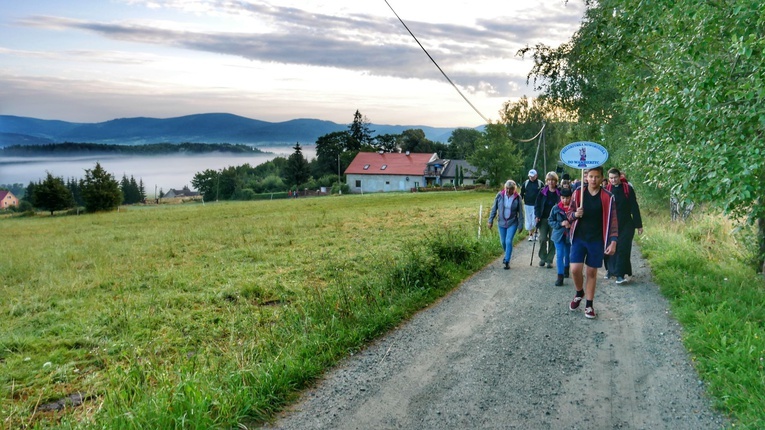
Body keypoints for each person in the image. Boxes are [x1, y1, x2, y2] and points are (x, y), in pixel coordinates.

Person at [566, 166, 618, 319]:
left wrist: (613, 241)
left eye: (597, 177)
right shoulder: (577, 193)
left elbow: (614, 221)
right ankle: (579, 292)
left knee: (591, 272)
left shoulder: (608, 197)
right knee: (575, 269)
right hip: (579, 237)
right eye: (591, 176)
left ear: (602, 178)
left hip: (596, 239)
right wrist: (576, 214)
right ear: (586, 177)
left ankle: (589, 305)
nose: (593, 180)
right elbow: (568, 214)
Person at [605, 168, 643, 284]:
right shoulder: (607, 190)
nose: (613, 180)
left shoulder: (628, 189)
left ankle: (620, 275)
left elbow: (634, 207)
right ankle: (611, 270)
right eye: (611, 178)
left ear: (619, 176)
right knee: (611, 248)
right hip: (612, 224)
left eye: (615, 177)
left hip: (627, 223)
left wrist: (639, 225)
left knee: (623, 248)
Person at [488, 180, 524, 270]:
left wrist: (521, 224)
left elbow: (521, 212)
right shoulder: (500, 195)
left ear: (514, 189)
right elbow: (494, 208)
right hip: (501, 222)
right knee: (503, 242)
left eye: (510, 189)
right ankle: (507, 253)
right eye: (507, 188)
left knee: (508, 241)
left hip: (512, 222)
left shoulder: (517, 197)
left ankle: (507, 260)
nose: (508, 191)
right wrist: (490, 220)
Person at [534, 172, 561, 268]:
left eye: (553, 180)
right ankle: (542, 257)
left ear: (556, 181)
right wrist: (537, 215)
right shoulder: (542, 192)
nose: (551, 182)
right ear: (546, 181)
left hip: (555, 219)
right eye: (549, 180)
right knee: (542, 238)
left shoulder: (559, 192)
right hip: (543, 218)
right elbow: (537, 205)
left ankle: (549, 259)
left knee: (553, 239)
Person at [549, 187, 572, 285]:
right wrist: (560, 223)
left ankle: (566, 268)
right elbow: (550, 221)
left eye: (567, 198)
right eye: (563, 198)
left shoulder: (574, 208)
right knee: (559, 255)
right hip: (558, 235)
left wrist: (571, 224)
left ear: (571, 197)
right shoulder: (556, 208)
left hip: (569, 235)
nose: (565, 200)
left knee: (568, 254)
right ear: (560, 197)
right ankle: (560, 276)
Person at [521, 169, 543, 241]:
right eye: (530, 176)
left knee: (536, 220)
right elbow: (521, 193)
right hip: (527, 204)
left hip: (537, 205)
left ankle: (536, 233)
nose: (531, 178)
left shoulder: (540, 184)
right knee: (529, 221)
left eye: (532, 176)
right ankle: (530, 235)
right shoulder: (526, 183)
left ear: (536, 176)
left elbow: (544, 194)